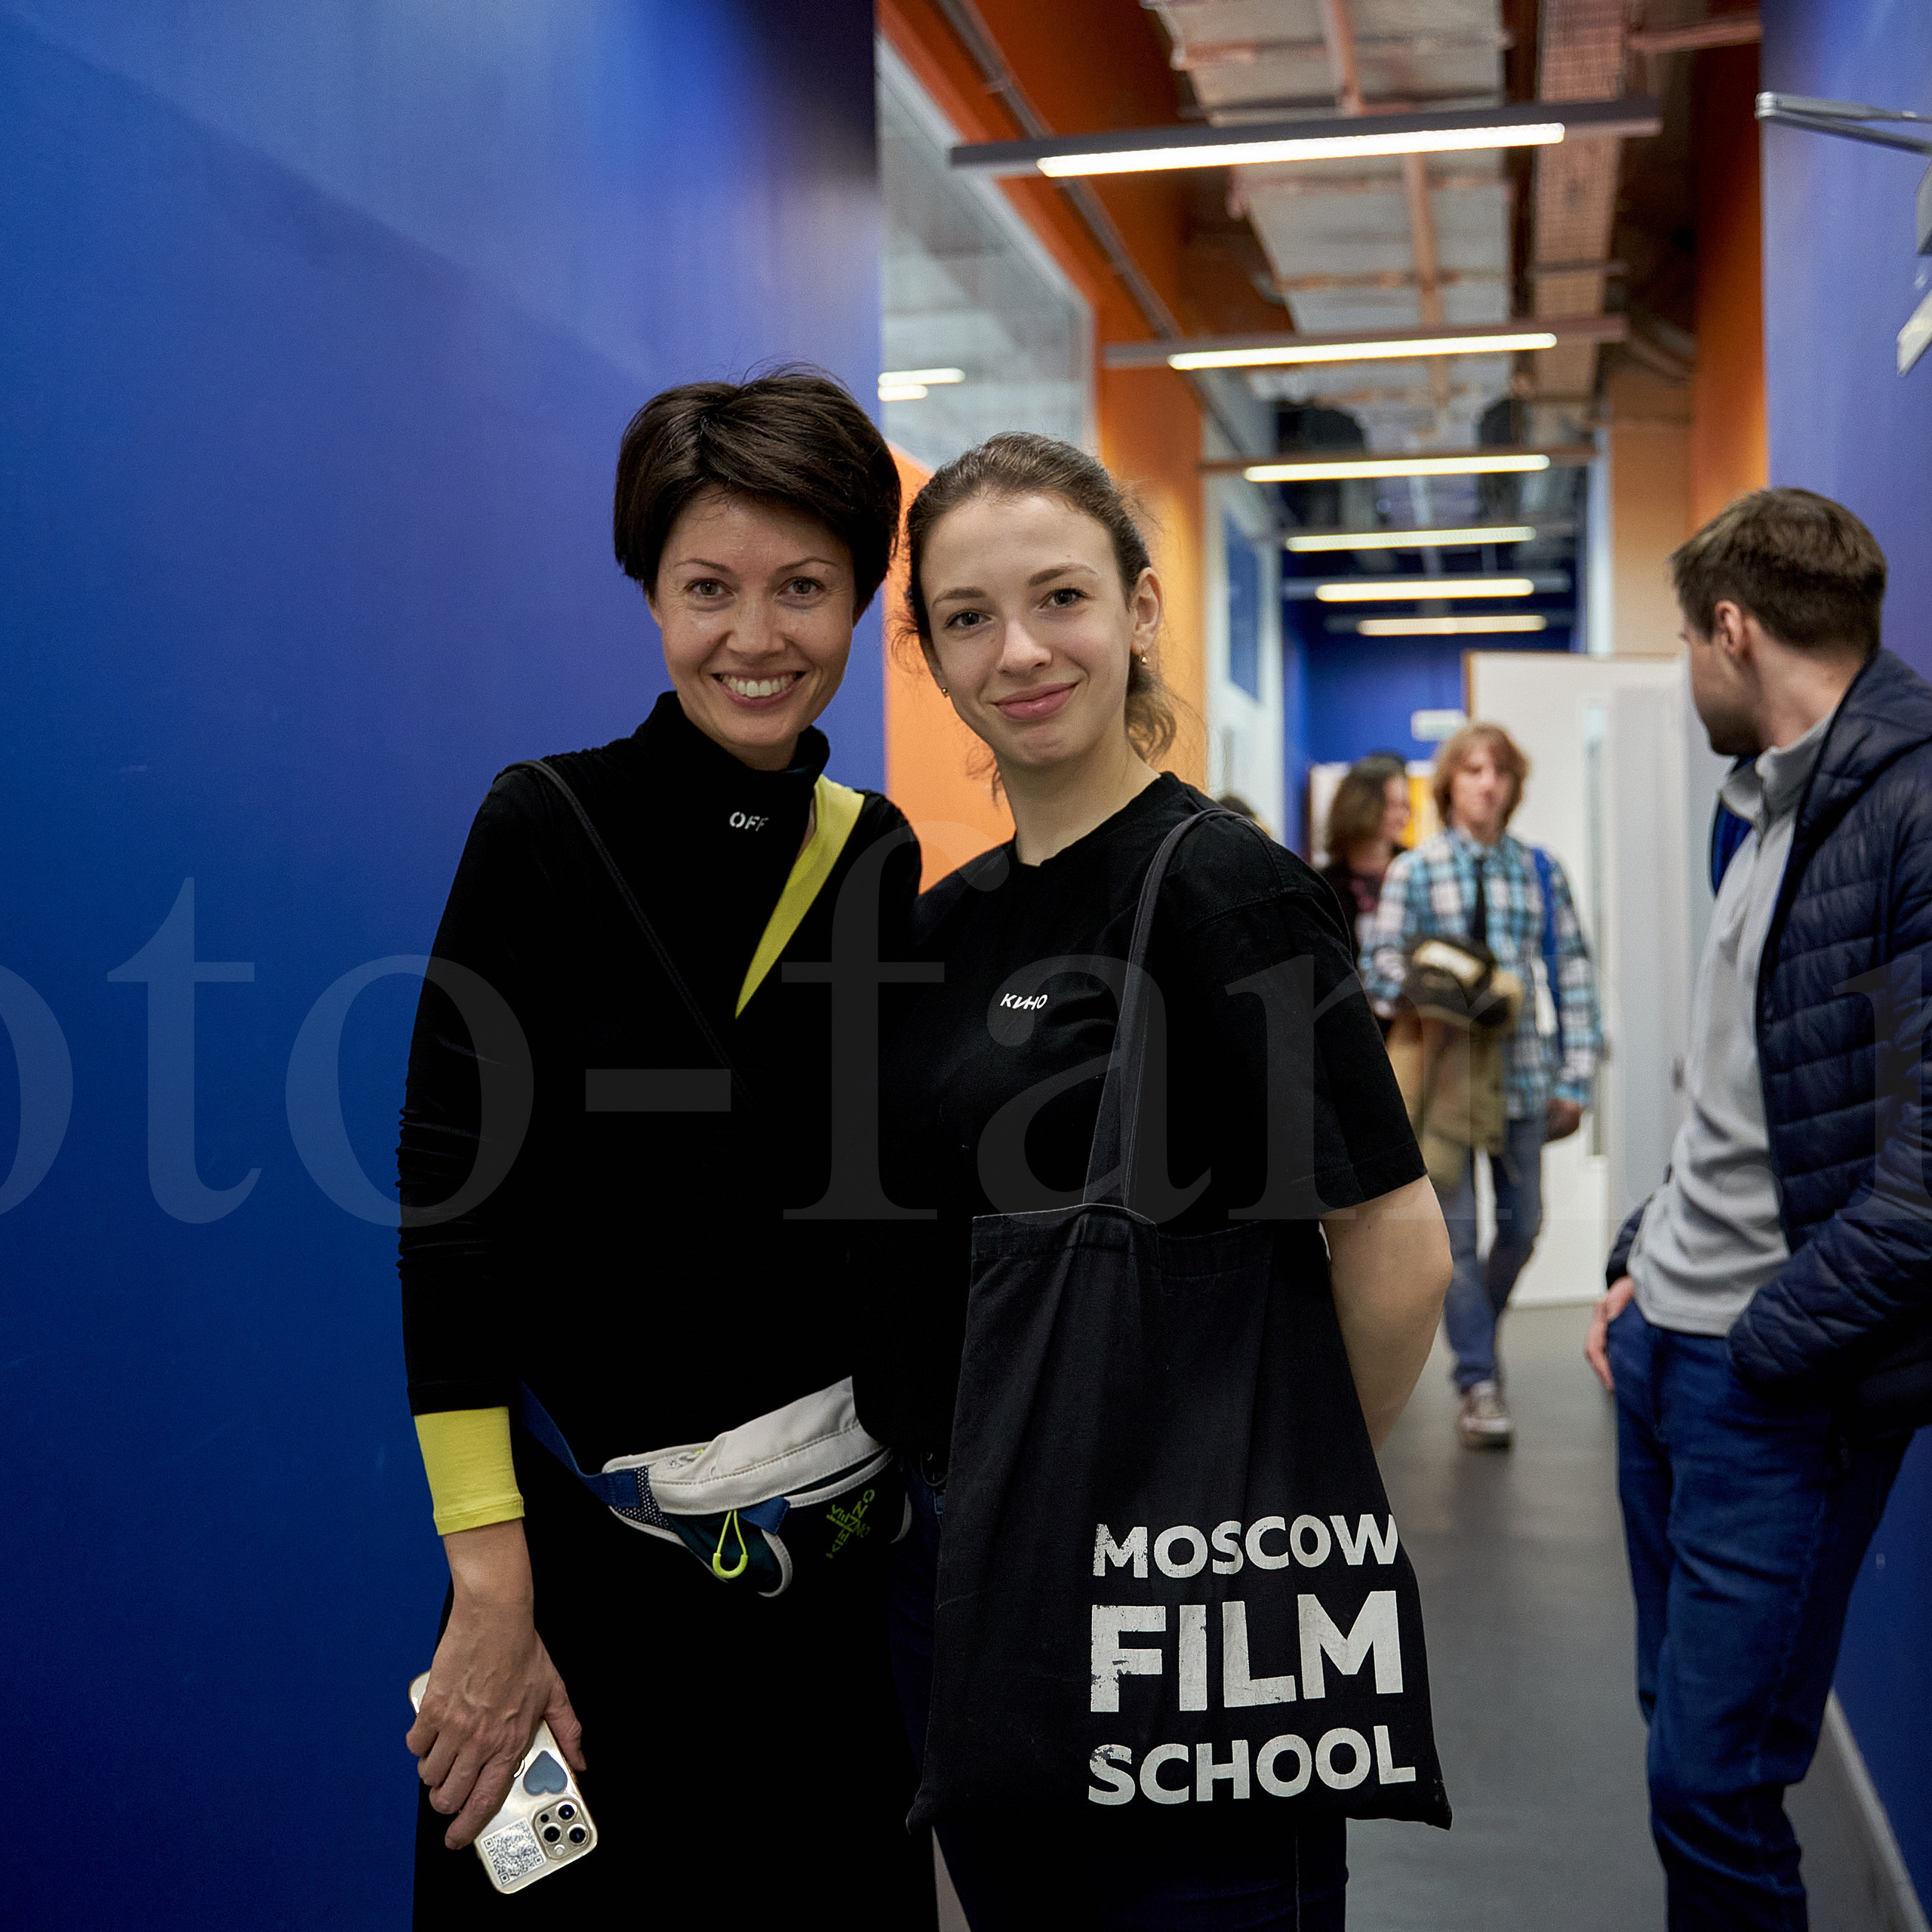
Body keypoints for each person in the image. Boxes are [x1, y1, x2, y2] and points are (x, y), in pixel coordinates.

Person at [854, 432, 1451, 1928]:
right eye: (969, 617)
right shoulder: (942, 927)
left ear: (1136, 607)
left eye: (1059, 596)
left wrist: (1259, 1500)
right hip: (963, 1581)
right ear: (929, 654)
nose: (1019, 650)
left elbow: (1394, 1240)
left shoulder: (1222, 888)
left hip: (1169, 1589)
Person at [396, 371, 934, 1924]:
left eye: (802, 588)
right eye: (708, 588)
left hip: (832, 1593)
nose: (754, 636)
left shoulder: (875, 851)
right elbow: (450, 1220)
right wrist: (491, 1585)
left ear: (860, 597)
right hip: (584, 1585)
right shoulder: (544, 828)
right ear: (650, 593)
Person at [1583, 488, 1931, 1930]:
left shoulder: (1913, 810)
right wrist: (1641, 1263)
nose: (1688, 671)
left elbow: (1924, 1168)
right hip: (1670, 1348)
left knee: (1713, 1785)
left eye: (1685, 641)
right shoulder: (1766, 810)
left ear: (1731, 629)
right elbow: (1745, 1090)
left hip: (1773, 1384)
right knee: (1684, 1742)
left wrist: (1765, 1345)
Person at [1363, 723, 1602, 1447]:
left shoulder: (1540, 870)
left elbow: (1573, 971)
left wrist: (1578, 1076)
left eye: (1498, 771)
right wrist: (1441, 986)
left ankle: (1477, 1332)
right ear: (1449, 785)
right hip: (1446, 1079)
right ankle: (1478, 1380)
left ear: (1513, 785)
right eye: (1472, 770)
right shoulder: (1416, 870)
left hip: (1525, 1075)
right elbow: (1377, 970)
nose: (1487, 783)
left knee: (1523, 1224)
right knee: (1457, 1237)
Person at [1318, 752, 1411, 947]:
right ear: (1362, 806)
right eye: (1394, 805)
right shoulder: (1323, 886)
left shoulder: (1415, 872)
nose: (1404, 816)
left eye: (1406, 805)